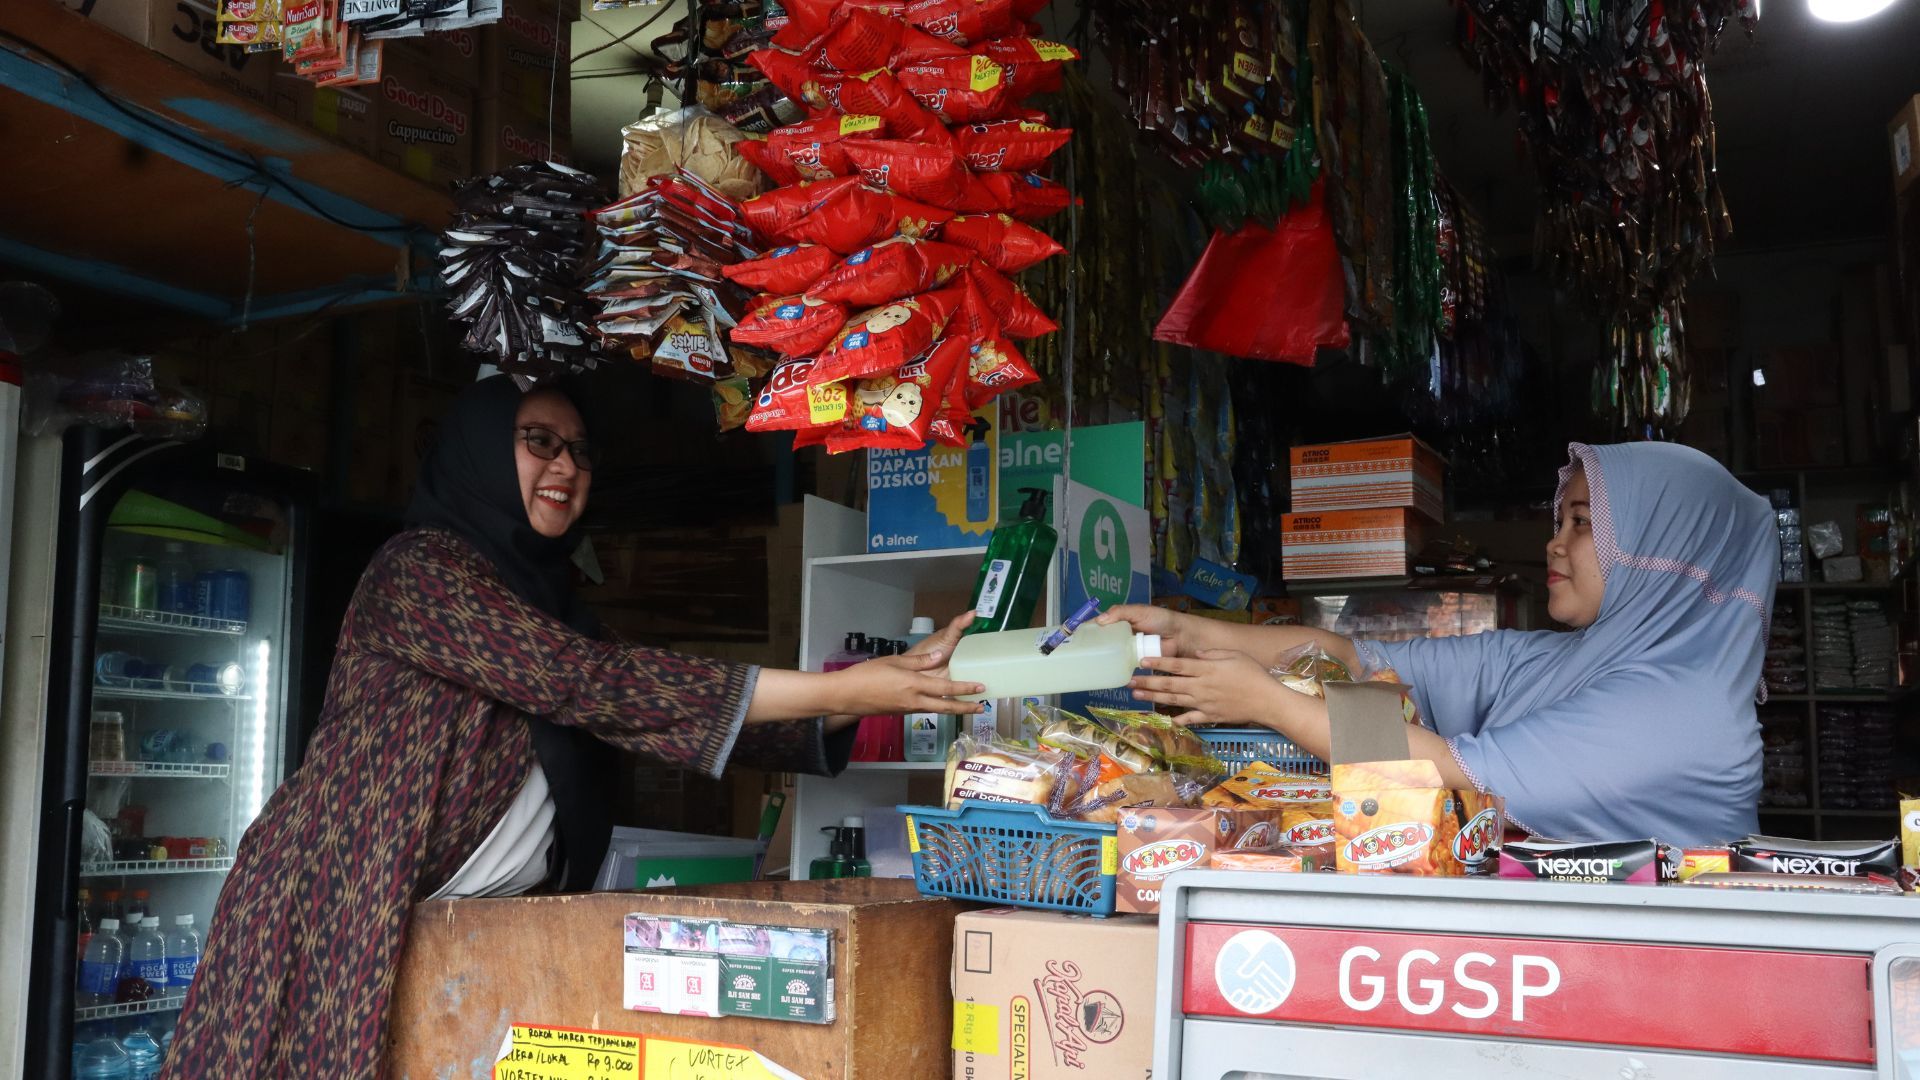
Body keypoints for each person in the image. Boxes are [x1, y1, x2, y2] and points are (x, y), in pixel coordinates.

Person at [161, 376, 983, 1077]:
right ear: (482, 454)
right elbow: (590, 685)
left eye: (581, 451)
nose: (566, 466)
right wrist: (853, 686)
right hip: (333, 902)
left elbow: (645, 703)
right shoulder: (420, 572)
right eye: (539, 442)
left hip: (463, 923)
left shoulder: (550, 608)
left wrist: (876, 693)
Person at [1105, 442, 1775, 846]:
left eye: (1582, 525)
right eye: (1561, 520)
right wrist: (1189, 631)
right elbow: (1358, 665)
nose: (1554, 542)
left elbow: (1444, 768)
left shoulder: (1682, 713)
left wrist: (1272, 704)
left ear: (1664, 553)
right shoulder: (1564, 658)